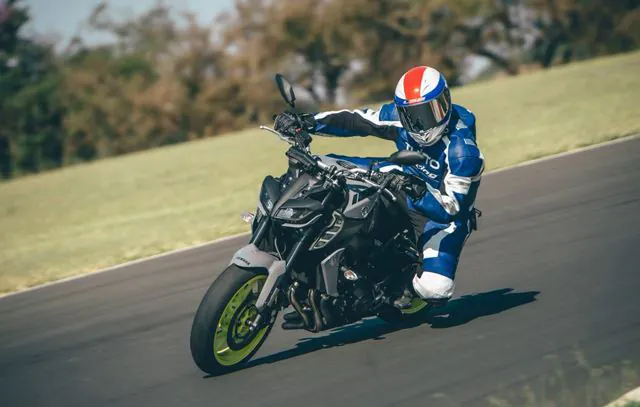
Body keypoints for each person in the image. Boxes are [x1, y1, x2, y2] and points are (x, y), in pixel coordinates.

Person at [274, 66, 484, 309]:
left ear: (446, 103)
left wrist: (417, 190)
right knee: (323, 164)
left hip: (440, 213)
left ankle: (395, 286)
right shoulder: (398, 118)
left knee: (436, 289)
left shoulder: (463, 152)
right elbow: (356, 120)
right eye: (412, 115)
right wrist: (307, 122)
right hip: (400, 175)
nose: (421, 124)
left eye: (430, 112)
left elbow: (452, 208)